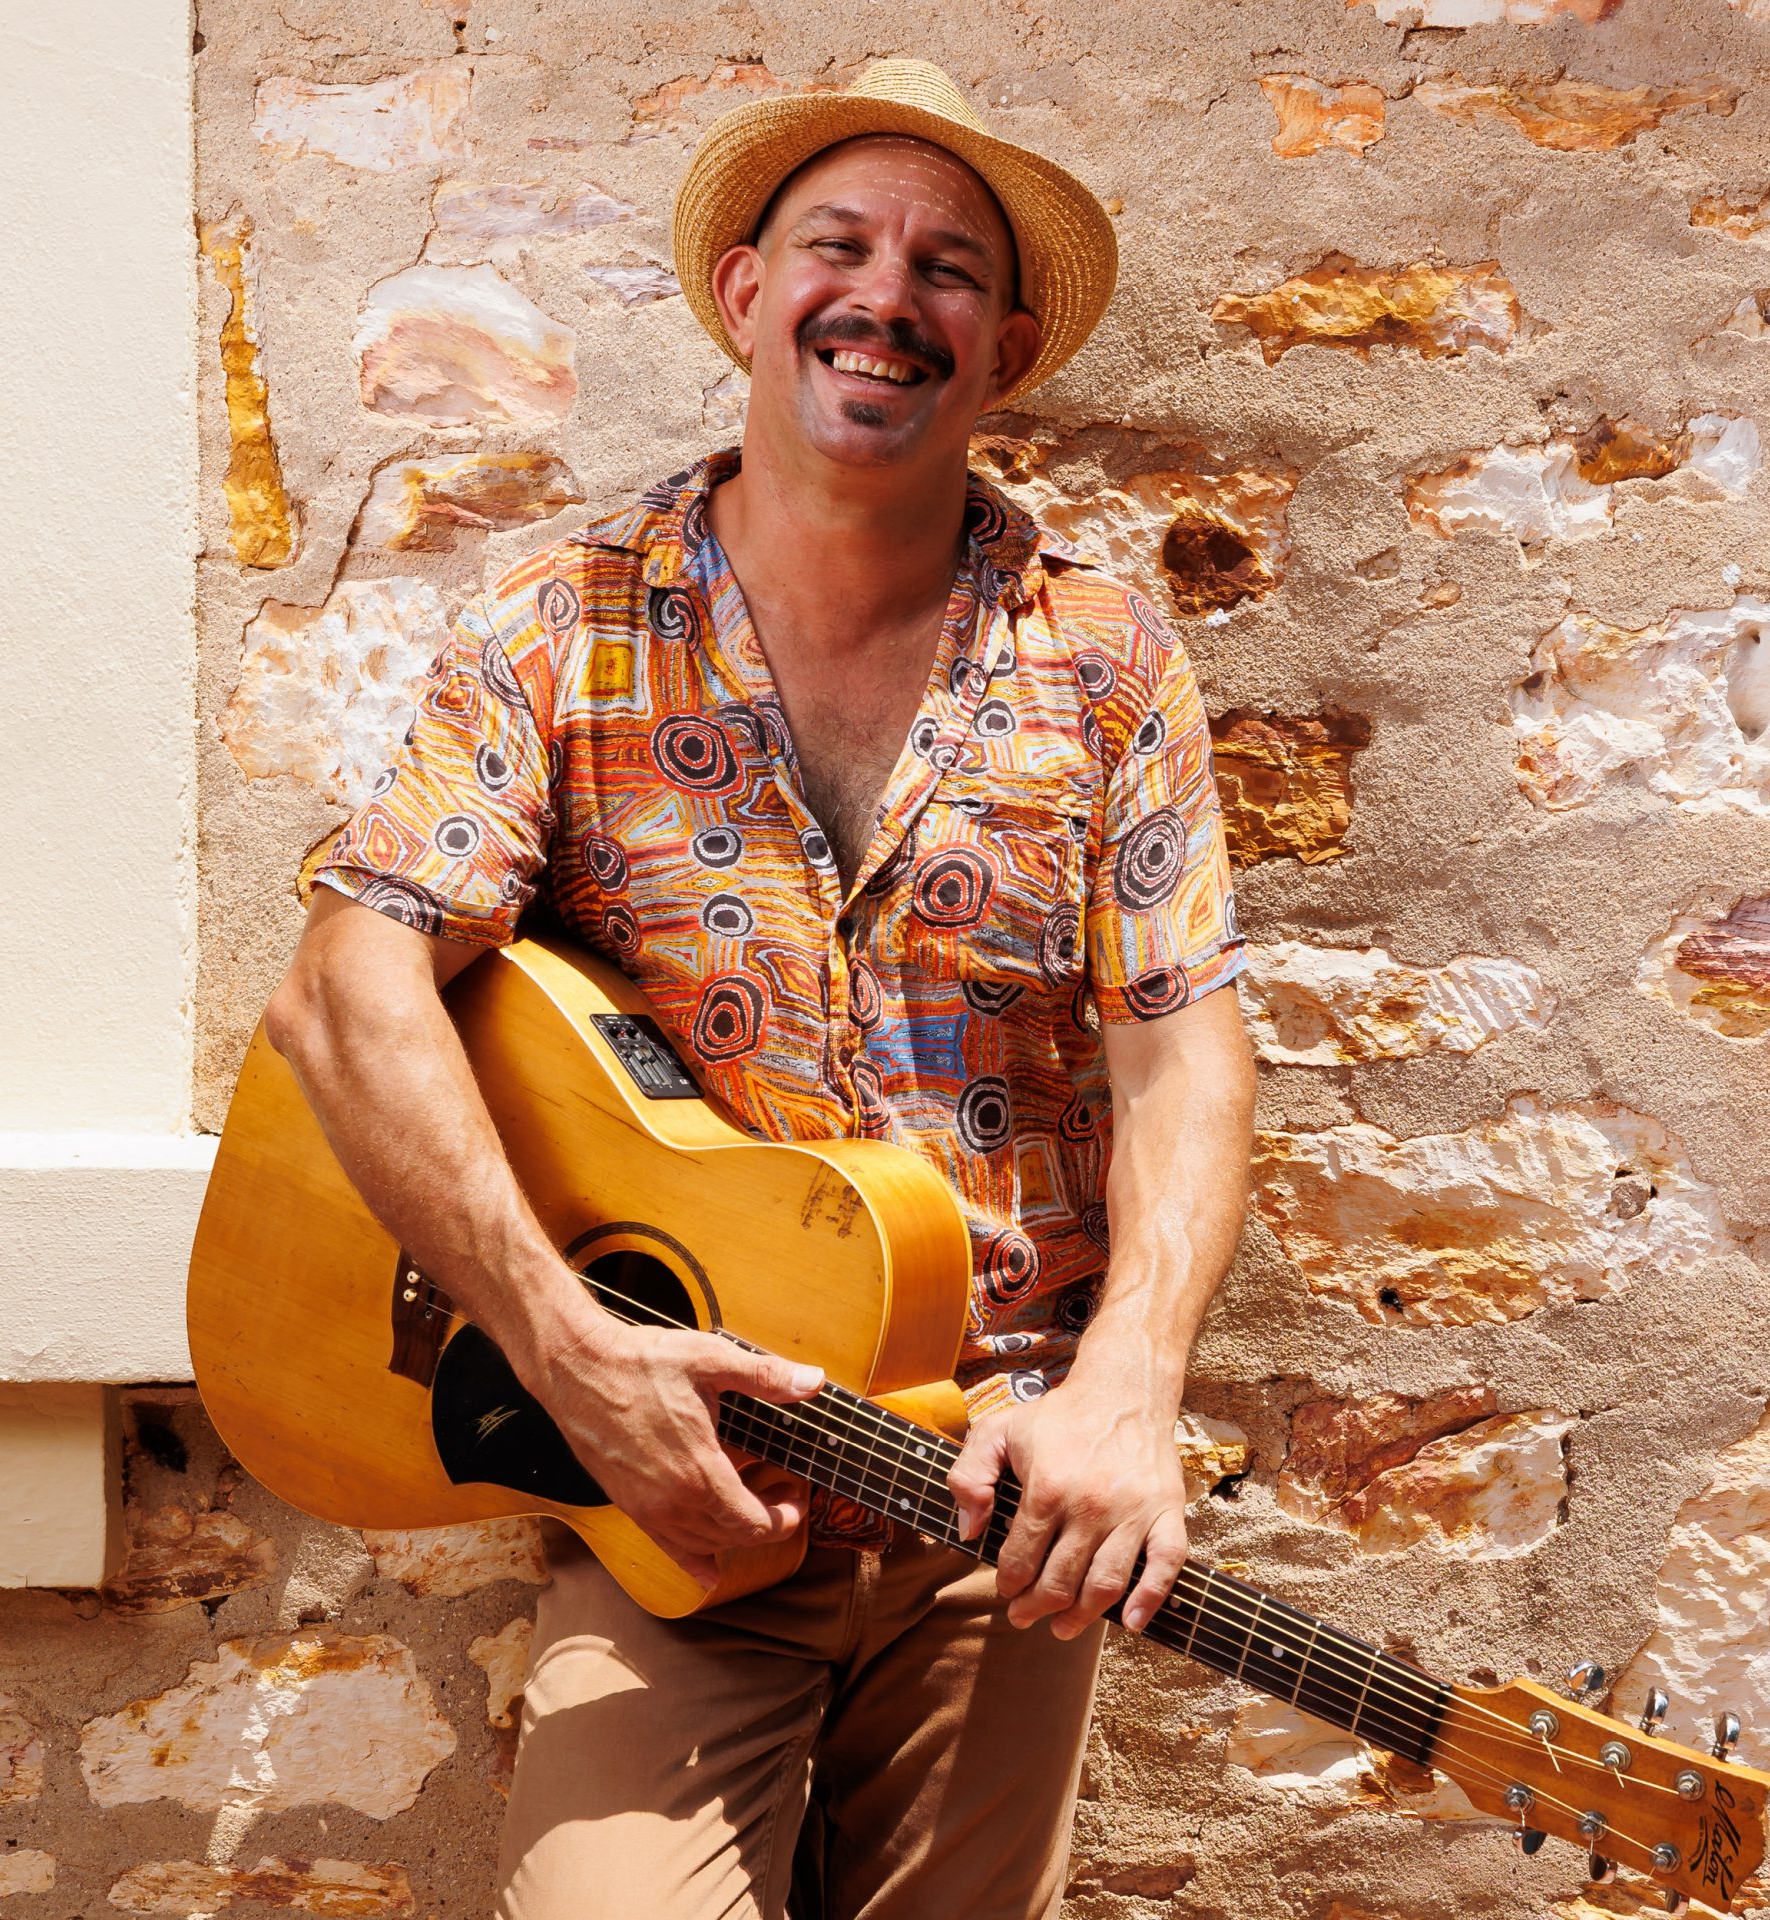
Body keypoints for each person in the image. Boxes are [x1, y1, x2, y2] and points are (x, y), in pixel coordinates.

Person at [263, 57, 1257, 1920]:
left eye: (950, 267)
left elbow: (1177, 1046)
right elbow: (346, 986)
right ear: (743, 292)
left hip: (991, 1505)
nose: (888, 297)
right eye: (840, 243)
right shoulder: (568, 621)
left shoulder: (1107, 656)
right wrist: (576, 1355)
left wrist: (1130, 1386)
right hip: (672, 1494)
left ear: (1008, 345)